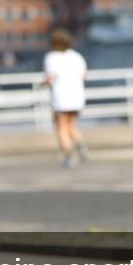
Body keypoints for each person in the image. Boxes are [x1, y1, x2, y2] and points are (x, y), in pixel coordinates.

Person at [43, 29, 89, 168]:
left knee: (61, 127)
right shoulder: (76, 56)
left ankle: (69, 157)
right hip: (77, 95)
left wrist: (43, 83)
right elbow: (84, 75)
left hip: (60, 96)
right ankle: (80, 145)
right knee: (71, 124)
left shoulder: (51, 57)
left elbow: (50, 78)